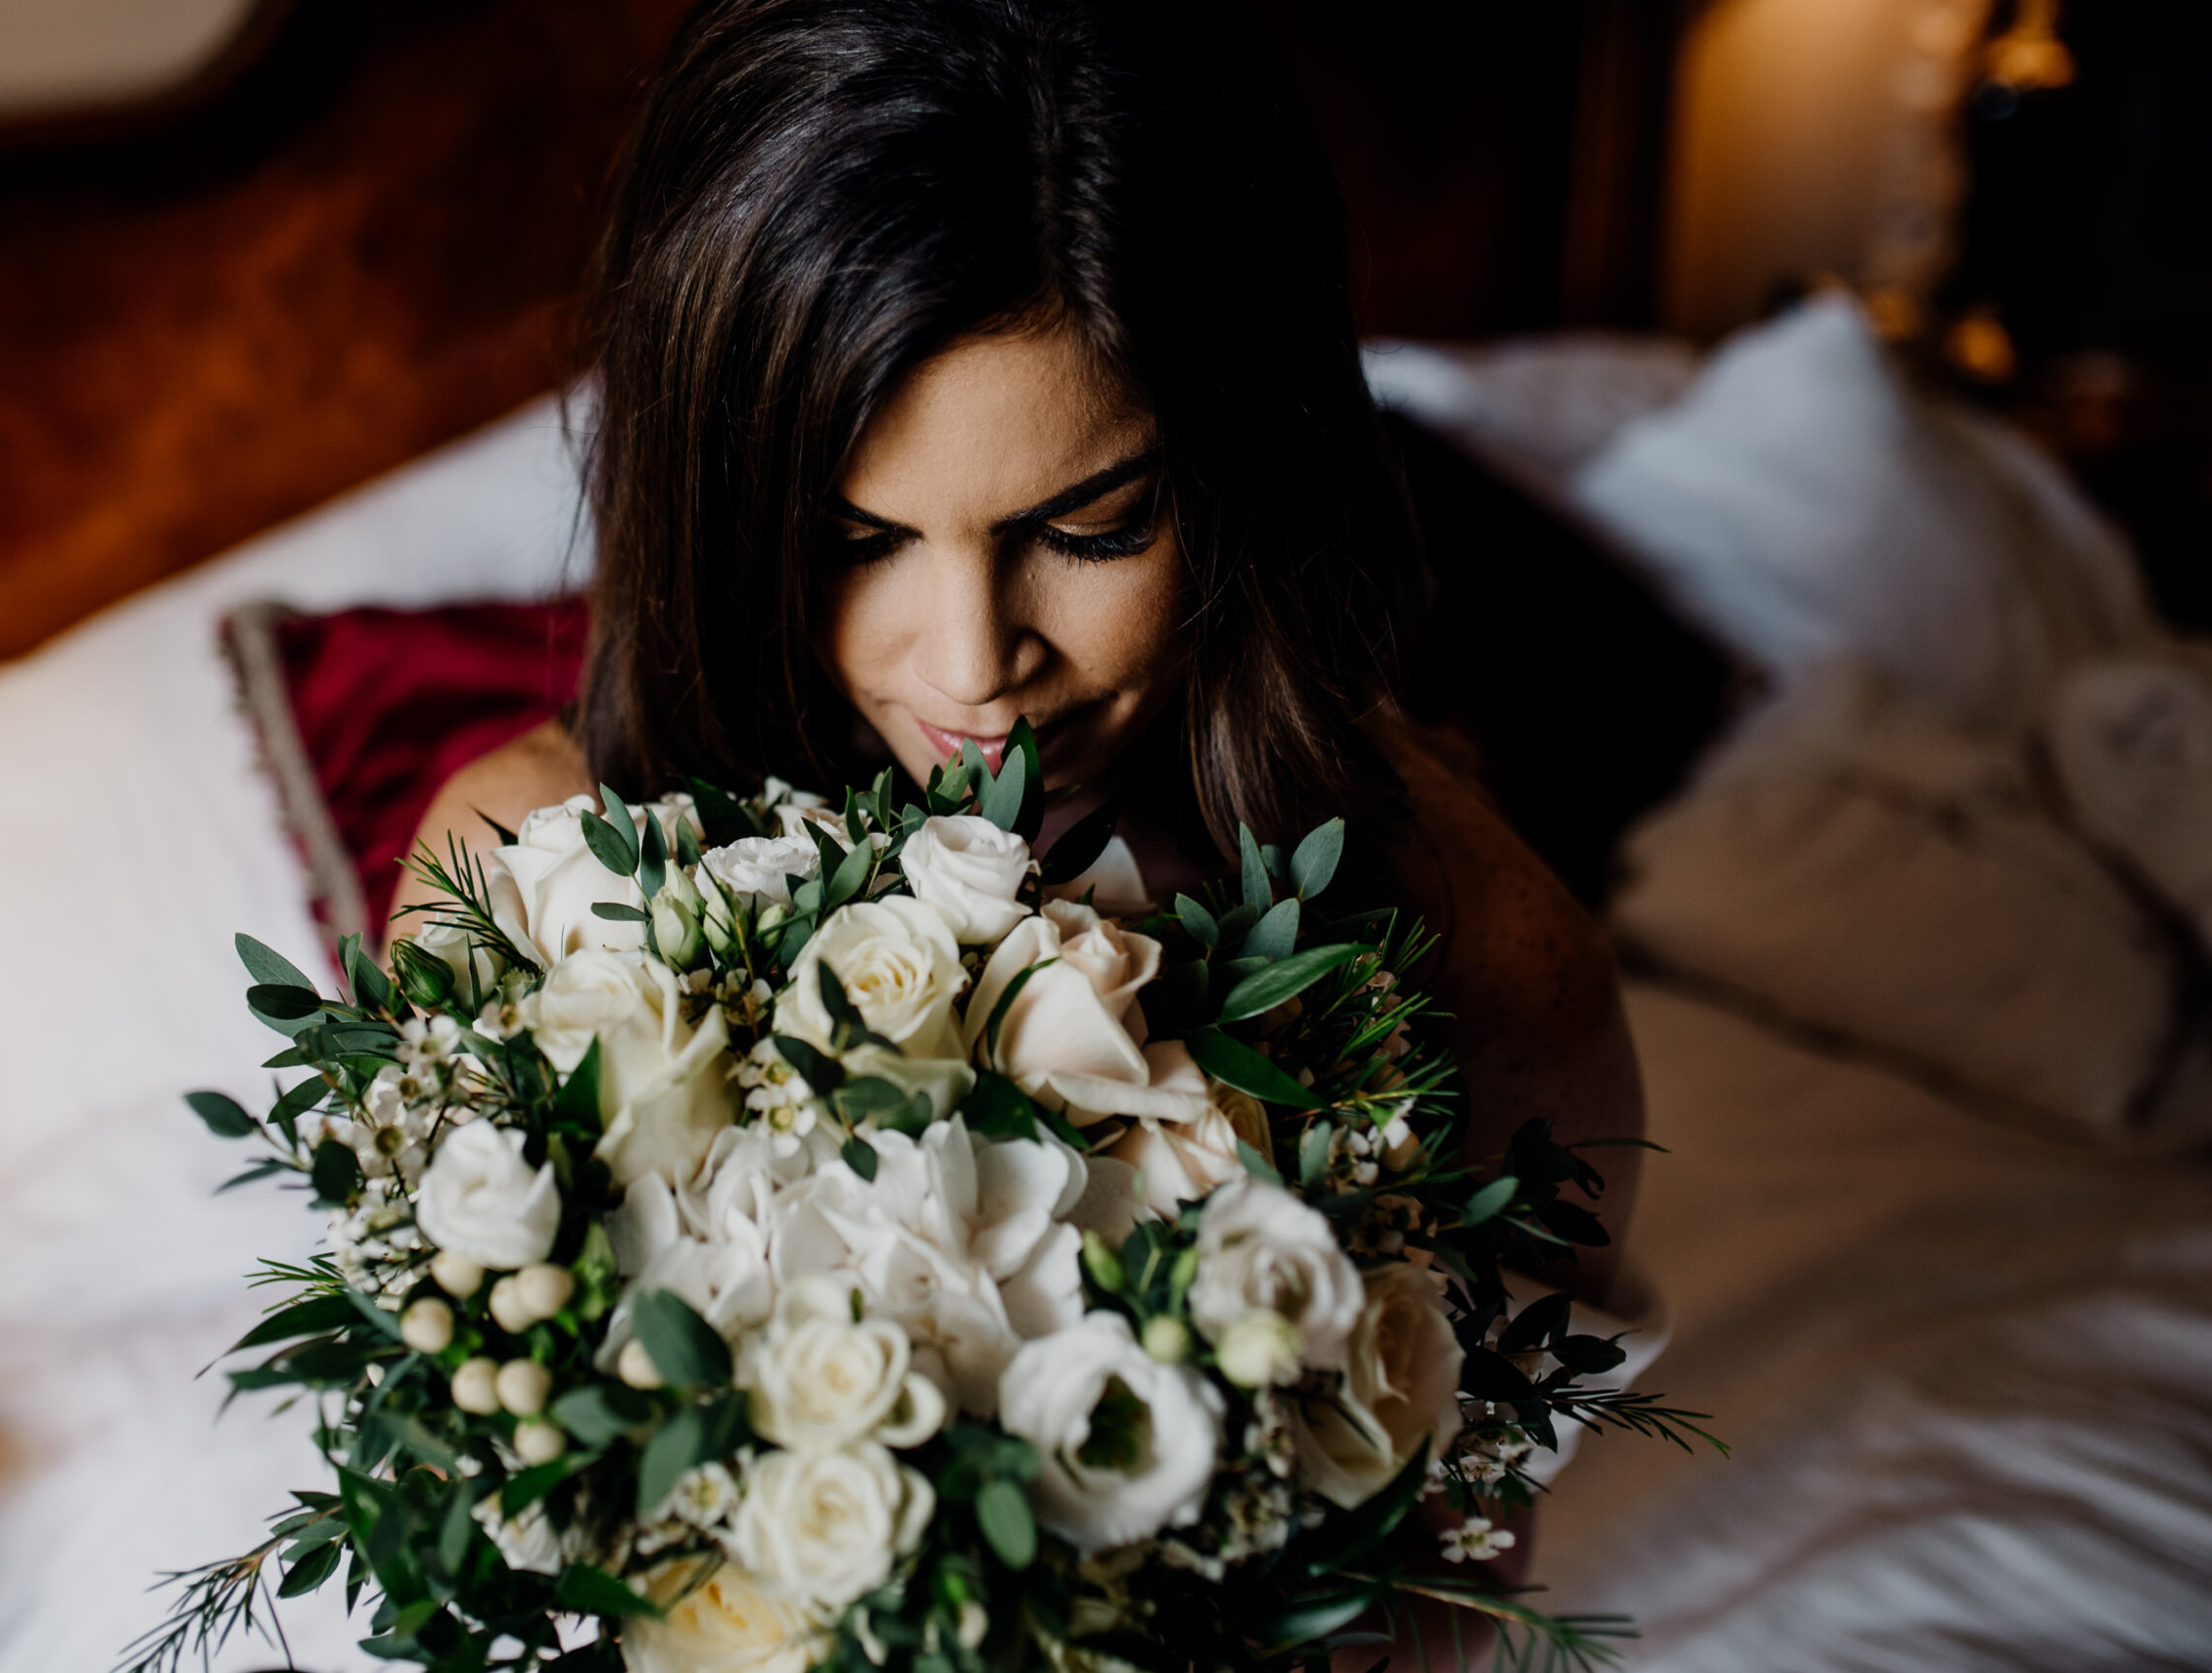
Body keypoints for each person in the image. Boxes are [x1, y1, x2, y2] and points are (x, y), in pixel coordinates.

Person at [397, 0, 1643, 1651]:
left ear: (1248, 469)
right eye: (854, 536)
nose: (975, 666)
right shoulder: (524, 884)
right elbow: (487, 1516)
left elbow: (1455, 1576)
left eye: (1092, 522)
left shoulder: (1490, 965)